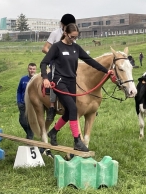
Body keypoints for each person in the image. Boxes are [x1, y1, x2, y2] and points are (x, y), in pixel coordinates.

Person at [40, 23, 114, 152]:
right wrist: (46, 78)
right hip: (59, 82)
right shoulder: (57, 47)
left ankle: (53, 132)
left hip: (71, 82)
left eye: (76, 37)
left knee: (69, 112)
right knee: (74, 108)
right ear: (66, 33)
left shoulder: (76, 48)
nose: (74, 39)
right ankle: (77, 141)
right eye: (72, 36)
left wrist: (106, 71)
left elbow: (90, 61)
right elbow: (43, 63)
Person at [42, 13, 76, 121]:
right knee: (53, 78)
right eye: (67, 25)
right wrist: (54, 55)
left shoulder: (72, 34)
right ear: (62, 24)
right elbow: (45, 48)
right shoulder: (55, 33)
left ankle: (85, 102)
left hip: (69, 64)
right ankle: (52, 106)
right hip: (56, 64)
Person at [17, 63, 36, 139]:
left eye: (33, 69)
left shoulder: (37, 79)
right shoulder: (23, 79)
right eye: (30, 69)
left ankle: (30, 136)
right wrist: (18, 101)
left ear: (36, 70)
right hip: (23, 104)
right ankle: (29, 133)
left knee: (31, 121)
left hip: (32, 105)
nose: (32, 70)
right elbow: (19, 91)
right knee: (22, 121)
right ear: (28, 69)